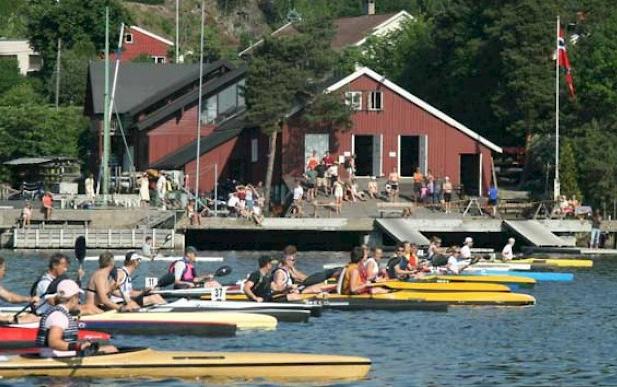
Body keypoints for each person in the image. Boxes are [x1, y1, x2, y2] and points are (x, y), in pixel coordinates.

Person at [36, 279, 118, 358]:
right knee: (111, 349)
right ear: (73, 298)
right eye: (78, 296)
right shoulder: (59, 315)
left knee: (105, 347)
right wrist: (78, 346)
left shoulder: (56, 311)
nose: (79, 300)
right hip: (55, 356)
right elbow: (54, 342)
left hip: (56, 354)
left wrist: (81, 343)